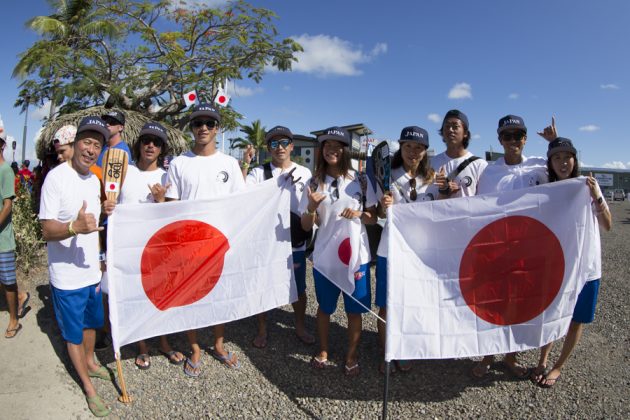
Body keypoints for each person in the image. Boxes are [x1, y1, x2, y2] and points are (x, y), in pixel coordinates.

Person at [39, 116, 116, 417]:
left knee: (92, 323)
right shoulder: (56, 178)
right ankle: (88, 387)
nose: (91, 149)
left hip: (90, 272)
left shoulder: (95, 180)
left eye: (97, 145)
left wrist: (105, 212)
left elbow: (93, 225)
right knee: (73, 333)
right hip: (67, 276)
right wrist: (73, 227)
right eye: (87, 142)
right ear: (74, 144)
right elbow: (46, 230)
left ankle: (92, 363)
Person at [165, 103, 245, 377]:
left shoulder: (230, 164)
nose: (203, 128)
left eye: (209, 124)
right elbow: (171, 207)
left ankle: (219, 344)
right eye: (198, 123)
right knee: (191, 298)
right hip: (188, 247)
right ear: (191, 127)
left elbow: (240, 205)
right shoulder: (178, 163)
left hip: (219, 245)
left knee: (220, 299)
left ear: (217, 129)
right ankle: (196, 348)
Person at [530, 137, 612, 388]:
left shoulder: (586, 186)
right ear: (550, 162)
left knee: (577, 319)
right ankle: (542, 360)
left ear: (575, 159)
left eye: (567, 156)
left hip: (587, 267)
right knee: (552, 314)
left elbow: (608, 224)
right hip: (559, 265)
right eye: (556, 157)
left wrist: (597, 196)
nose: (562, 162)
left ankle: (558, 366)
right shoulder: (547, 189)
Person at [473, 114, 549, 378]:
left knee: (518, 304)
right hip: (497, 249)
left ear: (525, 139)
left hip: (528, 250)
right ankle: (487, 355)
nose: (513, 140)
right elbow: (478, 209)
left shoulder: (541, 165)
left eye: (518, 135)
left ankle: (511, 357)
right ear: (499, 139)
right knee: (493, 302)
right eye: (507, 136)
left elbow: (569, 175)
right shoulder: (490, 171)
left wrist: (554, 142)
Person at [299, 126, 377, 376]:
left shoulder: (361, 180)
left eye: (337, 146)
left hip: (357, 258)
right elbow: (305, 224)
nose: (331, 150)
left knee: (354, 311)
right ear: (321, 150)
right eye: (327, 146)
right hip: (325, 257)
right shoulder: (313, 182)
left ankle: (351, 355)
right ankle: (323, 349)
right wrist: (311, 207)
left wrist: (360, 214)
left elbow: (374, 218)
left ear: (345, 151)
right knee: (325, 308)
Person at [118, 121, 186, 369]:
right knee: (136, 296)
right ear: (139, 144)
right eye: (146, 140)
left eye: (156, 142)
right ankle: (143, 345)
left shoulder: (166, 176)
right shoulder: (126, 171)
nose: (150, 145)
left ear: (162, 149)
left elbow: (172, 218)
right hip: (129, 247)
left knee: (161, 296)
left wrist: (160, 201)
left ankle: (164, 342)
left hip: (158, 249)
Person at [242, 125, 315, 348]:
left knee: (299, 288)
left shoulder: (305, 173)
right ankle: (263, 329)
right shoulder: (258, 173)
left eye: (284, 143)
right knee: (263, 286)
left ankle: (300, 326)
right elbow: (241, 198)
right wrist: (245, 163)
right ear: (268, 148)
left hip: (294, 239)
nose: (279, 148)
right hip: (266, 242)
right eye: (274, 144)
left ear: (292, 146)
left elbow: (309, 207)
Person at [375, 126, 438, 373]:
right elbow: (379, 214)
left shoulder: (432, 177)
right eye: (408, 146)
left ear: (425, 151)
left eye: (419, 147)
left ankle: (405, 348)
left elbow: (439, 211)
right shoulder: (387, 174)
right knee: (387, 305)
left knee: (411, 304)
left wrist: (445, 192)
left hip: (419, 253)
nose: (413, 151)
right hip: (389, 250)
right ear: (400, 147)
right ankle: (386, 351)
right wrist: (383, 205)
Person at [0, 131, 29, 338]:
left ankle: (14, 320)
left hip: (3, 238)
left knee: (8, 279)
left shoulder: (6, 171)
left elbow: (8, 205)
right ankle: (20, 297)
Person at [432, 110, 487, 198]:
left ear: (465, 133)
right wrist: (444, 191)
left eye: (455, 126)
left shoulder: (480, 165)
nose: (450, 130)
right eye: (447, 126)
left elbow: (485, 201)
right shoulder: (431, 163)